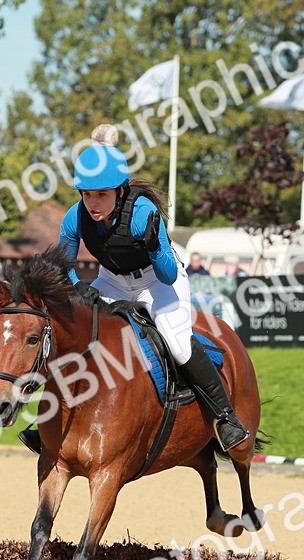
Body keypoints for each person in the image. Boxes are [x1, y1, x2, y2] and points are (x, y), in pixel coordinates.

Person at [57, 123, 249, 451]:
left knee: (178, 344)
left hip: (155, 281)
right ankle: (53, 422)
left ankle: (226, 417)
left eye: (101, 194)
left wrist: (154, 246)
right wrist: (78, 288)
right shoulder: (75, 216)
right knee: (76, 332)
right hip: (112, 281)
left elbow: (168, 274)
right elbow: (63, 263)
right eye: (87, 194)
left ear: (120, 191)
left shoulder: (143, 212)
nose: (93, 203)